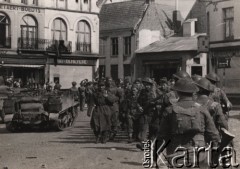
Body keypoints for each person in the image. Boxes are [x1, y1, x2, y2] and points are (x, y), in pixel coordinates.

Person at [156, 78, 220, 168]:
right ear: (194, 93)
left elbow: (161, 136)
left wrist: (157, 154)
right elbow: (213, 134)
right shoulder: (202, 109)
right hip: (199, 153)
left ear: (177, 92)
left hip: (176, 153)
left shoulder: (170, 110)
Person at [136, 77, 162, 149]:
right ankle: (143, 143)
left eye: (148, 85)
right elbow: (138, 101)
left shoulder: (157, 92)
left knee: (154, 129)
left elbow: (162, 100)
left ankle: (150, 143)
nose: (146, 86)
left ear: (151, 85)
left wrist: (156, 103)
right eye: (145, 84)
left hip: (154, 113)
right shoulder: (142, 92)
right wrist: (139, 107)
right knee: (143, 128)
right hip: (145, 112)